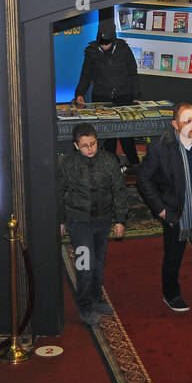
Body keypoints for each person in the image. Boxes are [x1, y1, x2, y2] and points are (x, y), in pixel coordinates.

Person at [135, 102, 192, 330]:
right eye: (187, 121)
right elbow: (143, 179)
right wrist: (160, 208)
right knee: (173, 258)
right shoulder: (160, 148)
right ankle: (171, 293)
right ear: (175, 124)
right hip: (176, 215)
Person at [58, 122, 129, 326]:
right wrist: (61, 220)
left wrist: (120, 219)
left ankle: (96, 298)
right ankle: (84, 306)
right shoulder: (67, 164)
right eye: (85, 145)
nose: (90, 149)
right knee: (84, 266)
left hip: (103, 220)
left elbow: (119, 191)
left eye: (93, 144)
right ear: (75, 145)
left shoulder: (108, 160)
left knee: (98, 263)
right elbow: (59, 193)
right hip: (78, 221)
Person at [74, 27, 141, 167]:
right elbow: (85, 74)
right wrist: (79, 93)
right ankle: (110, 166)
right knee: (107, 134)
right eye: (102, 44)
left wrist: (136, 96)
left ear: (113, 41)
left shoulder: (124, 49)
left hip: (124, 94)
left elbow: (133, 73)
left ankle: (134, 165)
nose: (104, 47)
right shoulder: (91, 51)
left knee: (126, 133)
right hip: (101, 94)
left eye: (107, 44)